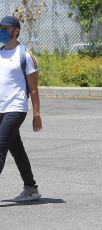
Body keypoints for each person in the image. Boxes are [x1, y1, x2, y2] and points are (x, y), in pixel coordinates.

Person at [0, 16, 42, 202]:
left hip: (16, 107)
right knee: (16, 148)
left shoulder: (25, 55)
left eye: (5, 28)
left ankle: (31, 187)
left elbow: (33, 89)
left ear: (16, 31)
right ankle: (31, 187)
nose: (2, 30)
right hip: (1, 107)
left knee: (0, 147)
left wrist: (37, 114)